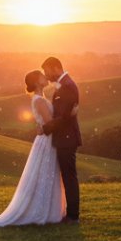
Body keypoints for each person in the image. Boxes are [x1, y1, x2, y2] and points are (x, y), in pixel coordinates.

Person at [0, 70, 66, 227]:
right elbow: (50, 123)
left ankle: (48, 209)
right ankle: (44, 211)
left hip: (46, 139)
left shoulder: (40, 99)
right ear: (36, 82)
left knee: (47, 174)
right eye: (42, 76)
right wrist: (67, 116)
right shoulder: (39, 101)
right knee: (46, 174)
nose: (45, 77)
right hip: (47, 140)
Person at [40, 56, 81, 222]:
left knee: (69, 177)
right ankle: (69, 213)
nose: (46, 75)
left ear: (55, 68)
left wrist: (45, 128)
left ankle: (73, 215)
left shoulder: (67, 86)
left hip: (67, 139)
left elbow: (64, 117)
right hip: (64, 137)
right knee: (67, 176)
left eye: (47, 71)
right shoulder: (64, 85)